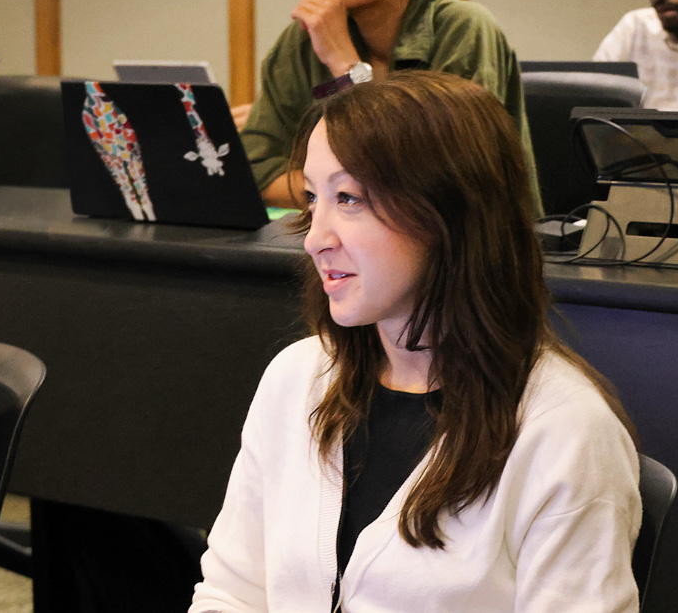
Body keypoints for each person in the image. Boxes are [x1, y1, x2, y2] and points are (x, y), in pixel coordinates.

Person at [191, 72, 642, 612]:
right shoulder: (297, 378)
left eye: (350, 198)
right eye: (314, 198)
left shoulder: (565, 434)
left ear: (448, 215)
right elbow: (230, 596)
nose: (314, 238)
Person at [240, 0, 537, 210]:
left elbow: (438, 185)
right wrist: (356, 190)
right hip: (346, 250)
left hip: (464, 256)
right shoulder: (304, 39)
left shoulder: (463, 28)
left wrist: (346, 67)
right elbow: (255, 171)